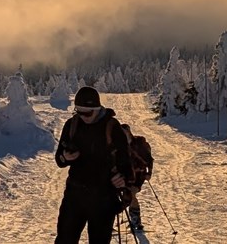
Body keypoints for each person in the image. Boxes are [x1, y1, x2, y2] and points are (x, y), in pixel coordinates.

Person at [54, 86, 134, 244]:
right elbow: (59, 160)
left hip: (103, 198)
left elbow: (125, 161)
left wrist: (122, 178)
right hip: (74, 196)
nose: (83, 116)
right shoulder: (72, 125)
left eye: (87, 112)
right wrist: (66, 157)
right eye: (79, 111)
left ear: (97, 109)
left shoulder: (112, 127)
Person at [120, 122, 153, 232]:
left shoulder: (139, 143)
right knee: (125, 195)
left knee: (132, 193)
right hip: (126, 175)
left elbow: (149, 159)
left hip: (138, 175)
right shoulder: (119, 145)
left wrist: (149, 173)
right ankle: (133, 220)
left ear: (129, 132)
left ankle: (136, 222)